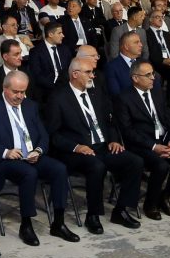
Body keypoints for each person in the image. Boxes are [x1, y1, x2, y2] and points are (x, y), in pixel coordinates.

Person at [45, 55, 144, 232]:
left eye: (92, 72)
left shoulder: (96, 93)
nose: (93, 76)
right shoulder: (58, 98)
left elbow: (110, 120)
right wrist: (76, 147)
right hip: (75, 151)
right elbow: (53, 134)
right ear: (75, 74)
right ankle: (93, 215)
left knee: (135, 161)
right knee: (96, 166)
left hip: (102, 146)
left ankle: (120, 210)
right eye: (88, 72)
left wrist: (113, 139)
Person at [0, 70, 74, 245]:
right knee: (29, 173)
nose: (20, 96)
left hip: (30, 155)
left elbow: (43, 135)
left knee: (59, 169)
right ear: (5, 88)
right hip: (3, 159)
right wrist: (6, 152)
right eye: (16, 92)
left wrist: (38, 151)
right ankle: (26, 225)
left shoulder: (30, 106)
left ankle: (59, 222)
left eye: (23, 92)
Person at [114, 62, 170, 220]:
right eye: (148, 75)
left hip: (164, 141)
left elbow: (169, 120)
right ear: (135, 78)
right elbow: (127, 131)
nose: (153, 78)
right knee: (161, 165)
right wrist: (154, 146)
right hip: (142, 145)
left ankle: (165, 197)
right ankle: (150, 204)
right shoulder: (124, 98)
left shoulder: (157, 92)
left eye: (153, 73)